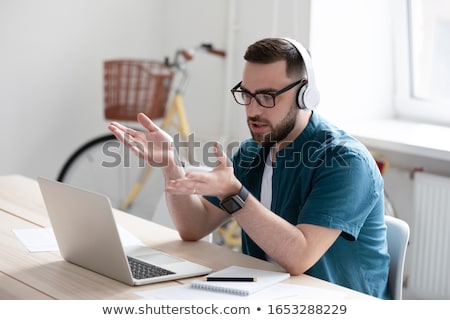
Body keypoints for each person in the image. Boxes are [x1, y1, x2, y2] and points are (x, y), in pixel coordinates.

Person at [108, 37, 391, 299]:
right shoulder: (253, 151)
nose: (253, 110)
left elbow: (299, 257)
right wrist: (170, 164)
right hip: (265, 294)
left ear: (305, 94)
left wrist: (235, 193)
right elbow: (194, 227)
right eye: (247, 94)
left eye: (267, 97)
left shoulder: (345, 161)